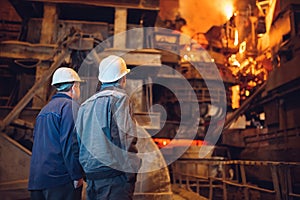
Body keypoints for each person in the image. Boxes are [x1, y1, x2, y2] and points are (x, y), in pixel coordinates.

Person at [76, 55, 141, 200]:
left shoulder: (85, 105)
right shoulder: (120, 100)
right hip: (114, 178)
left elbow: (80, 142)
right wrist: (131, 173)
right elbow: (125, 139)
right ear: (123, 78)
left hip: (92, 176)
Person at [28, 67, 84, 200]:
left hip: (37, 180)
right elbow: (70, 144)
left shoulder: (44, 111)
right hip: (60, 181)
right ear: (74, 86)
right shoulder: (70, 107)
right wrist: (77, 175)